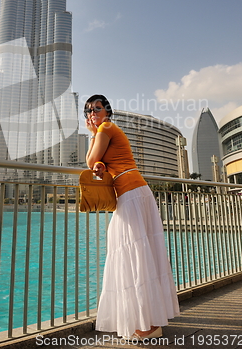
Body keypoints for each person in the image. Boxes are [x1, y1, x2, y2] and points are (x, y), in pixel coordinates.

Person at [84, 94, 179, 341]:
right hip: (134, 192)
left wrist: (93, 133)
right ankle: (149, 321)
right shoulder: (107, 129)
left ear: (107, 111)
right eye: (88, 111)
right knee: (138, 254)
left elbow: (91, 160)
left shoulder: (105, 127)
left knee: (133, 255)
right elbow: (98, 162)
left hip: (132, 194)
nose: (92, 113)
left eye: (97, 108)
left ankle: (147, 326)